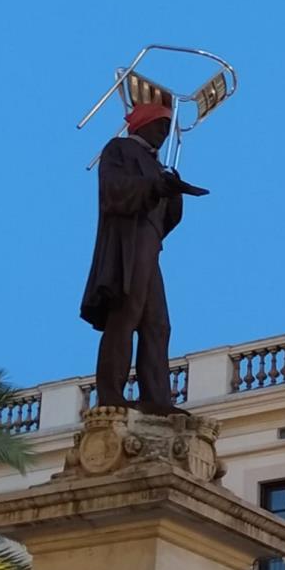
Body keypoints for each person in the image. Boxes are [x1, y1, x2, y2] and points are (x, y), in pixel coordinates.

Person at [80, 103, 208, 415]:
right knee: (126, 315)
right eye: (161, 126)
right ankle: (111, 395)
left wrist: (172, 191)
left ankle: (157, 398)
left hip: (150, 247)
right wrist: (155, 185)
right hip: (128, 244)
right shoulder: (118, 149)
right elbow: (113, 191)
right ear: (143, 125)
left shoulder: (155, 164)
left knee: (158, 324)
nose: (165, 134)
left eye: (167, 128)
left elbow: (166, 219)